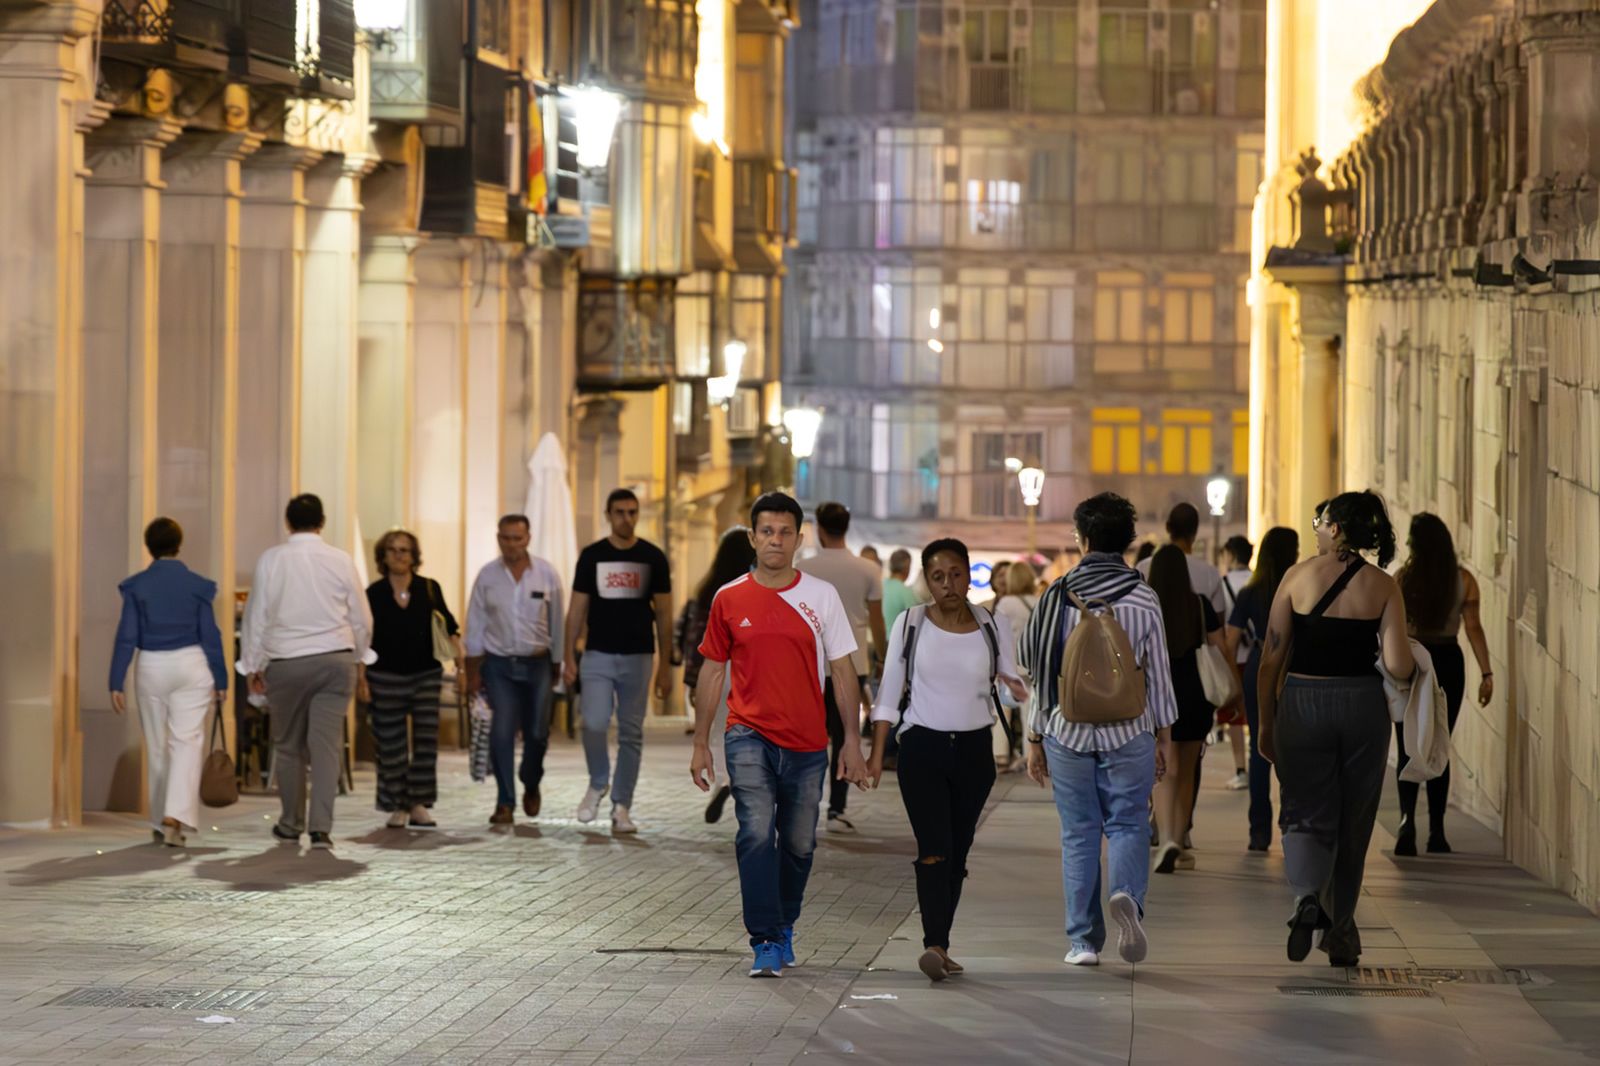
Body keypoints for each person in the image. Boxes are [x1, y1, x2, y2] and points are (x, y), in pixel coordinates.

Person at [690, 492, 869, 978]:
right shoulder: (729, 597)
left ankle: (785, 923)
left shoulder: (820, 596)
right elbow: (711, 672)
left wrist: (852, 739)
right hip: (747, 733)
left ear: (798, 538)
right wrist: (701, 741)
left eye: (784, 532)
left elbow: (844, 670)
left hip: (809, 742)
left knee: (798, 844)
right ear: (752, 537)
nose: (775, 539)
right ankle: (765, 938)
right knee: (753, 832)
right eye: (766, 531)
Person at [1020, 492, 1177, 967]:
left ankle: (1084, 942)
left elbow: (1037, 670)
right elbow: (1159, 675)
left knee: (1079, 832)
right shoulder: (1145, 597)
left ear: (1083, 539)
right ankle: (1126, 895)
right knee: (1128, 822)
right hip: (1129, 729)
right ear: (1127, 542)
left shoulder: (1055, 595)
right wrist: (1162, 738)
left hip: (1065, 730)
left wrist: (1033, 738)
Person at [1258, 490, 1414, 967]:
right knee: (1354, 816)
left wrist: (1267, 723)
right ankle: (1341, 931)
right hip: (1362, 708)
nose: (1317, 528)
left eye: (1321, 521)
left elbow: (1270, 660)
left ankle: (1307, 895)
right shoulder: (1384, 586)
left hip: (1303, 701)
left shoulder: (1297, 576)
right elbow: (1399, 665)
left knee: (1305, 805)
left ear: (1337, 528)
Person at [867, 538, 1028, 982]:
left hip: (975, 751)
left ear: (968, 573)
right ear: (928, 580)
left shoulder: (993, 625)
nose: (948, 584)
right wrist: (877, 755)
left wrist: (1017, 692)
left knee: (958, 852)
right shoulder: (911, 623)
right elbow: (888, 695)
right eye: (937, 576)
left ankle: (942, 943)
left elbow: (1010, 685)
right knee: (934, 849)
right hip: (922, 748)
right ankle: (933, 942)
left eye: (956, 573)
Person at [240, 494, 374, 850]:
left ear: (288, 523)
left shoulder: (272, 560)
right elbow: (362, 616)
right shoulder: (341, 560)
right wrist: (360, 654)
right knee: (326, 746)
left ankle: (290, 822)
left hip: (286, 661)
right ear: (322, 522)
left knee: (287, 746)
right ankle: (320, 828)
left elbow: (257, 616)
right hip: (335, 659)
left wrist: (251, 665)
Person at [109, 517, 229, 847]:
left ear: (149, 547)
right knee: (187, 741)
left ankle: (162, 822)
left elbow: (127, 635)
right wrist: (221, 678)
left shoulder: (137, 586)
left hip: (151, 665)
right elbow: (211, 634)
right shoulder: (198, 586)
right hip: (192, 664)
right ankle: (174, 818)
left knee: (158, 747)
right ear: (179, 545)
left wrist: (115, 680)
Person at [563, 489, 673, 834]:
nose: (627, 518)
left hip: (639, 655)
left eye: (632, 512)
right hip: (597, 653)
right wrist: (567, 655)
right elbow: (576, 608)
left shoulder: (652, 557)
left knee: (631, 731)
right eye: (620, 512)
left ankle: (621, 805)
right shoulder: (592, 555)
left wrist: (667, 665)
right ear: (608, 514)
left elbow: (666, 614)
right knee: (593, 722)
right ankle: (599, 781)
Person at [1393, 513, 1493, 855]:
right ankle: (1437, 832)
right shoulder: (1464, 580)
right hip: (1449, 662)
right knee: (1440, 744)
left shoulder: (1403, 579)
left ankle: (1407, 823)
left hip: (1413, 661)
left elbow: (1393, 629)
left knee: (1407, 742)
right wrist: (1487, 673)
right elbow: (1474, 628)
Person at [465, 514, 565, 827]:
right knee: (502, 731)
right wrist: (472, 669)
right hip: (499, 665)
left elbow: (558, 621)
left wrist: (558, 662)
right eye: (506, 538)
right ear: (498, 538)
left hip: (538, 662)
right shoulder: (487, 576)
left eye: (517, 538)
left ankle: (530, 779)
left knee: (537, 732)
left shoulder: (546, 574)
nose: (511, 544)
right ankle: (505, 801)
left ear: (528, 538)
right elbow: (475, 623)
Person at [360, 529, 460, 829]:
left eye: (404, 550)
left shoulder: (429, 588)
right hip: (384, 675)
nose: (399, 555)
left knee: (426, 741)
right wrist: (361, 677)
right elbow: (364, 637)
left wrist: (462, 663)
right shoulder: (374, 593)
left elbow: (450, 627)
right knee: (390, 744)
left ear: (414, 556)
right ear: (383, 556)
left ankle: (418, 803)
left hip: (425, 674)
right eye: (392, 550)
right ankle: (398, 804)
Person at [796, 502, 886, 833]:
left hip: (810, 664)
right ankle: (836, 808)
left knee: (810, 736)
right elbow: (877, 622)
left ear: (819, 528)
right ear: (846, 527)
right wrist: (881, 659)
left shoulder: (805, 567)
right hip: (853, 662)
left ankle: (806, 803)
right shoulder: (868, 569)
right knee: (844, 735)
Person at [1146, 545, 1225, 873]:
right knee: (1187, 769)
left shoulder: (1147, 604)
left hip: (1159, 690)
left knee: (1163, 769)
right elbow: (1219, 647)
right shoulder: (1200, 604)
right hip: (1195, 692)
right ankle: (1179, 839)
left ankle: (1165, 840)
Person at [1223, 527, 1299, 852]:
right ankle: (1291, 823)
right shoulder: (1298, 588)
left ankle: (1258, 831)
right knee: (1293, 749)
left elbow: (1228, 642)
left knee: (1259, 746)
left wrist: (1234, 682)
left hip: (1257, 666)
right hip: (1294, 667)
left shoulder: (1249, 593)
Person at [679, 526, 757, 824]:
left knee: (719, 732)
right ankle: (739, 781)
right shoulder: (752, 590)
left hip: (715, 672)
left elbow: (695, 638)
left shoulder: (709, 590)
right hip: (745, 672)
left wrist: (692, 679)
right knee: (745, 728)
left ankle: (724, 780)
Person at [1137, 503, 1227, 613]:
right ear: (1195, 531)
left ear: (1167, 527)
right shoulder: (1210, 573)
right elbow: (1218, 621)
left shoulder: (1143, 567)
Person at [1216, 535, 1255, 790]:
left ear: (1230, 554)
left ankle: (1241, 768)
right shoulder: (1259, 580)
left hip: (1232, 658)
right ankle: (1259, 763)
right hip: (1259, 655)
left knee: (1234, 717)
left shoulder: (1224, 584)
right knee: (1257, 714)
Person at [993, 562, 1039, 767]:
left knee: (1003, 708)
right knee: (1029, 710)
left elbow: (996, 636)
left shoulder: (1005, 604)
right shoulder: (1039, 602)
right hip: (1032, 665)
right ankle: (1030, 754)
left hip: (1010, 665)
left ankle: (1000, 754)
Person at [882, 549, 922, 631]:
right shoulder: (906, 592)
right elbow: (915, 622)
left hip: (878, 639)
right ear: (907, 567)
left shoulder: (880, 585)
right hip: (895, 640)